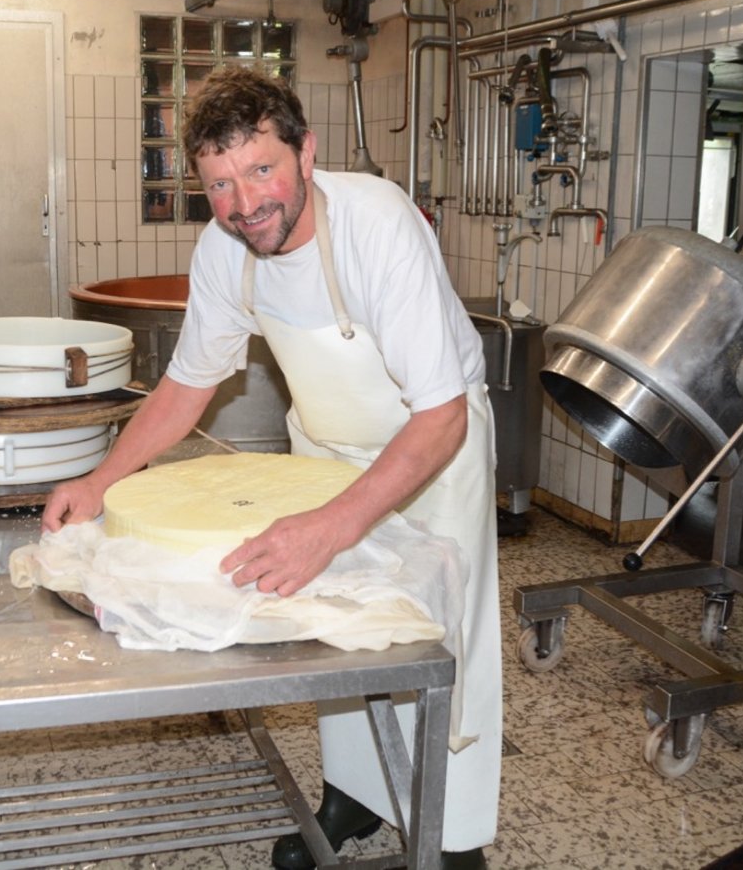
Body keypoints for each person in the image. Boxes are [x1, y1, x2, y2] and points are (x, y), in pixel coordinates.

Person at [42, 65, 501, 870]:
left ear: (306, 153)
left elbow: (440, 415)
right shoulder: (225, 254)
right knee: (331, 628)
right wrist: (100, 479)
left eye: (262, 170)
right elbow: (187, 386)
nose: (245, 202)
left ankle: (453, 835)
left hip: (431, 453)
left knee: (435, 637)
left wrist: (333, 526)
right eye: (220, 183)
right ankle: (354, 794)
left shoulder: (376, 226)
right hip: (323, 452)